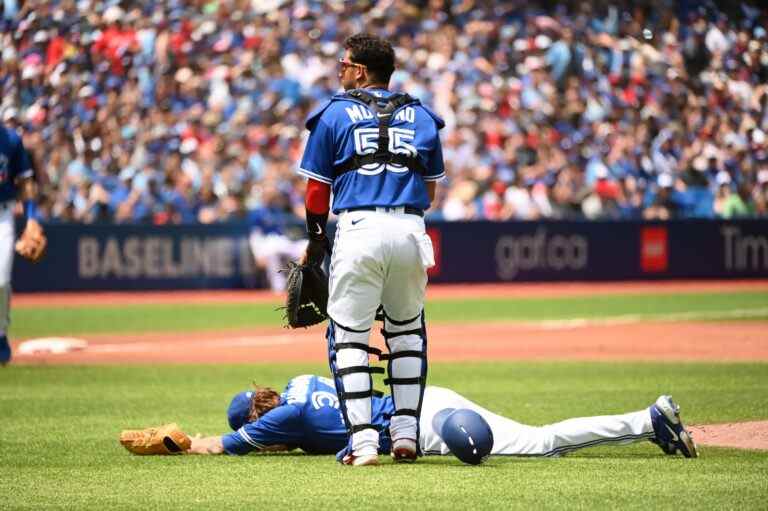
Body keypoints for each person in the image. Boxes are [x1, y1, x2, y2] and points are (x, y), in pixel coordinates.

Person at [295, 33, 445, 465]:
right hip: (410, 228)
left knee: (348, 338)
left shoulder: (334, 114)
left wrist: (316, 240)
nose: (338, 71)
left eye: (342, 64)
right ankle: (404, 434)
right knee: (407, 334)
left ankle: (362, 441)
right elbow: (429, 191)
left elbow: (315, 192)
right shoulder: (421, 115)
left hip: (359, 226)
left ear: (360, 70)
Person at [185, 374, 698, 459]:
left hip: (422, 428)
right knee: (538, 437)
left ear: (256, 415)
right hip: (424, 397)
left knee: (542, 443)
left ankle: (648, 421)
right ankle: (647, 421)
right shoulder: (302, 382)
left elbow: (222, 446)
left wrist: (184, 443)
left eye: (252, 425)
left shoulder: (280, 418)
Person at [0, 122, 45, 365]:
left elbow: (26, 181)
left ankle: (0, 334)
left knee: (1, 280)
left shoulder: (10, 139)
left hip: (3, 215)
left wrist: (31, 219)